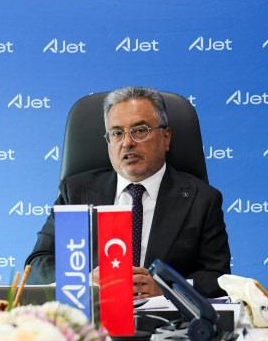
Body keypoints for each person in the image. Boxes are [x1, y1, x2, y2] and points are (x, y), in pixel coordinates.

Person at [24, 86, 231, 298]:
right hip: (94, 314)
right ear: (108, 141)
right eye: (116, 133)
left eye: (140, 130)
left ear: (166, 137)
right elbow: (38, 264)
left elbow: (218, 277)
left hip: (164, 317)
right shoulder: (76, 193)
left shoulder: (201, 200)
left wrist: (168, 288)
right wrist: (84, 282)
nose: (127, 143)